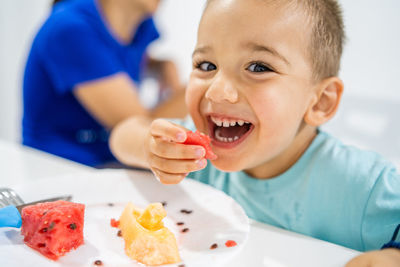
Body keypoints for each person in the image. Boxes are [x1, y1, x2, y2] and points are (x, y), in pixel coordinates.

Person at [109, 0, 400, 265]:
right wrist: (150, 148)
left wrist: (391, 257)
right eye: (206, 65)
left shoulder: (361, 183)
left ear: (320, 101)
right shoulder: (194, 151)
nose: (218, 90)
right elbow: (122, 134)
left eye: (258, 67)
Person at [22, 0, 187, 167]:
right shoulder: (71, 28)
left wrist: (163, 66)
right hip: (59, 165)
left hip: (109, 161)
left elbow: (118, 58)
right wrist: (201, 87)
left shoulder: (141, 24)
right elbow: (142, 128)